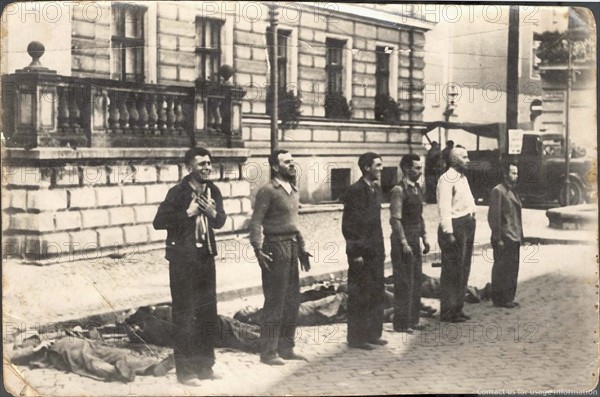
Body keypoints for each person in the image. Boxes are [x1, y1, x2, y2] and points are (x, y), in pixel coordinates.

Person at [153, 147, 227, 386]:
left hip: (206, 257)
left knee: (207, 312)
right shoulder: (177, 192)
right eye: (201, 164)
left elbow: (220, 220)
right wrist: (189, 212)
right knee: (185, 314)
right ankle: (185, 372)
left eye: (209, 163)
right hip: (183, 260)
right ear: (189, 168)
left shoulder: (213, 190)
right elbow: (159, 222)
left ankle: (205, 366)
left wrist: (212, 211)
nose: (207, 167)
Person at [249, 150, 312, 365]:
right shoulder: (268, 191)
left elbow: (294, 224)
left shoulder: (293, 190)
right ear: (275, 167)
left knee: (292, 300)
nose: (292, 165)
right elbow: (256, 221)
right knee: (275, 301)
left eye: (293, 161)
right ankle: (268, 352)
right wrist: (258, 249)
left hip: (292, 247)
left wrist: (302, 247)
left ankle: (287, 347)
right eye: (287, 162)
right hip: (275, 248)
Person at [341, 152, 387, 350]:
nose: (381, 168)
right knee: (360, 294)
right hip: (361, 253)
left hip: (376, 250)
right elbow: (349, 226)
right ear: (367, 167)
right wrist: (355, 253)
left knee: (376, 291)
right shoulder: (355, 191)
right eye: (378, 165)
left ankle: (373, 333)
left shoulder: (375, 189)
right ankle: (357, 338)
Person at [389, 154, 431, 333]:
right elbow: (395, 220)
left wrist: (425, 237)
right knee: (404, 282)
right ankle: (401, 322)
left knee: (415, 280)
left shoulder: (417, 188)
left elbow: (419, 216)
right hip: (402, 241)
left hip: (415, 239)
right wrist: (404, 241)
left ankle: (413, 320)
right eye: (417, 168)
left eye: (421, 168)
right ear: (406, 168)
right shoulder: (399, 190)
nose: (420, 172)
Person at [436, 147, 476, 322]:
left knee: (463, 269)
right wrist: (448, 232)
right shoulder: (446, 179)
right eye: (464, 157)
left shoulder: (463, 178)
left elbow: (468, 200)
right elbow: (444, 207)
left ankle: (458, 308)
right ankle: (447, 311)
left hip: (467, 224)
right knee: (452, 270)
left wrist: (472, 214)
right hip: (455, 226)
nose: (468, 160)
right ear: (454, 160)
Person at [488, 161, 523, 309]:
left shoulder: (513, 191)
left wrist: (521, 235)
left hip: (514, 235)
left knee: (512, 268)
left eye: (516, 173)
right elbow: (494, 217)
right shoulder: (498, 191)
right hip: (504, 236)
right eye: (513, 173)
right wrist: (497, 237)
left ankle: (509, 297)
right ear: (505, 174)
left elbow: (517, 215)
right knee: (502, 269)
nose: (516, 176)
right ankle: (499, 299)